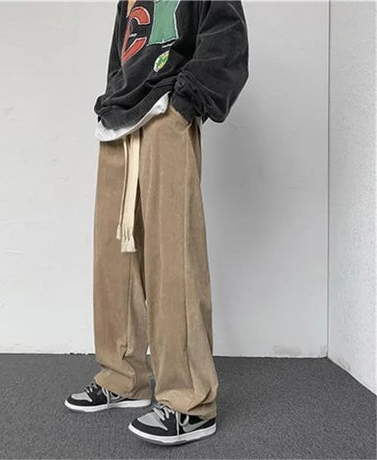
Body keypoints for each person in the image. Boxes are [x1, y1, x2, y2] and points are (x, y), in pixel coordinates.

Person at [65, 0, 249, 446]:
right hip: (119, 122)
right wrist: (111, 100)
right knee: (113, 256)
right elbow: (123, 52)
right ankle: (122, 376)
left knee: (173, 253)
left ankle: (190, 401)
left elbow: (228, 39)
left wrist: (186, 103)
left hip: (167, 111)